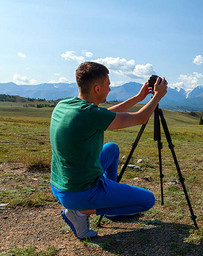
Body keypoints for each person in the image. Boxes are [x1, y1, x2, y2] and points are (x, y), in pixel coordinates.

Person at [50, 61, 167, 239]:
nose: (110, 89)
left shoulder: (66, 105)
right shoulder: (90, 114)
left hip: (61, 184)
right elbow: (141, 118)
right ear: (97, 89)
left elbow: (105, 114)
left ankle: (110, 200)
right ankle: (80, 213)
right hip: (78, 192)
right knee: (147, 200)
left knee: (111, 148)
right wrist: (157, 97)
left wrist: (138, 98)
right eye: (108, 85)